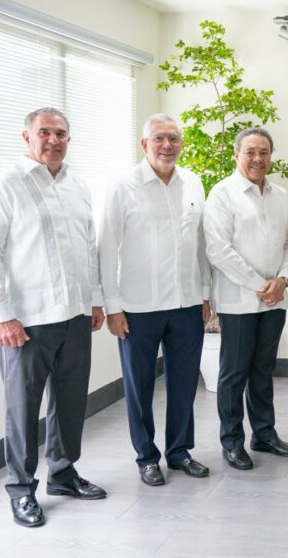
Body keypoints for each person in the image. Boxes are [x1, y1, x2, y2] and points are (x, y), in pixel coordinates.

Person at [0, 107, 107, 527]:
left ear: (70, 138)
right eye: (45, 132)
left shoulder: (77, 186)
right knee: (22, 407)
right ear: (26, 136)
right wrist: (2, 315)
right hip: (26, 321)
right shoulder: (5, 185)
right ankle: (20, 489)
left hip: (73, 315)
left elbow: (89, 248)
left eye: (61, 133)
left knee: (69, 403)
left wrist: (95, 300)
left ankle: (64, 474)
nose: (53, 140)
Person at [98, 114, 212, 486]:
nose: (167, 145)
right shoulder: (123, 187)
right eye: (160, 138)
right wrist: (112, 306)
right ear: (144, 144)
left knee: (183, 383)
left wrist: (205, 295)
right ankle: (146, 457)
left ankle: (179, 452)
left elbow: (200, 245)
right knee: (139, 385)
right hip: (137, 307)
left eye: (174, 139)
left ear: (181, 144)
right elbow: (107, 249)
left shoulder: (193, 183)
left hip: (185, 303)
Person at [204, 128, 288, 470]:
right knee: (234, 373)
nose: (258, 158)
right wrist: (262, 284)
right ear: (237, 155)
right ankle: (232, 441)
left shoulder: (280, 195)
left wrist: (284, 279)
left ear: (271, 155)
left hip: (275, 301)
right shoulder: (222, 194)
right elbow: (218, 250)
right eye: (250, 152)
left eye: (264, 152)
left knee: (263, 368)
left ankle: (264, 433)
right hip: (239, 300)